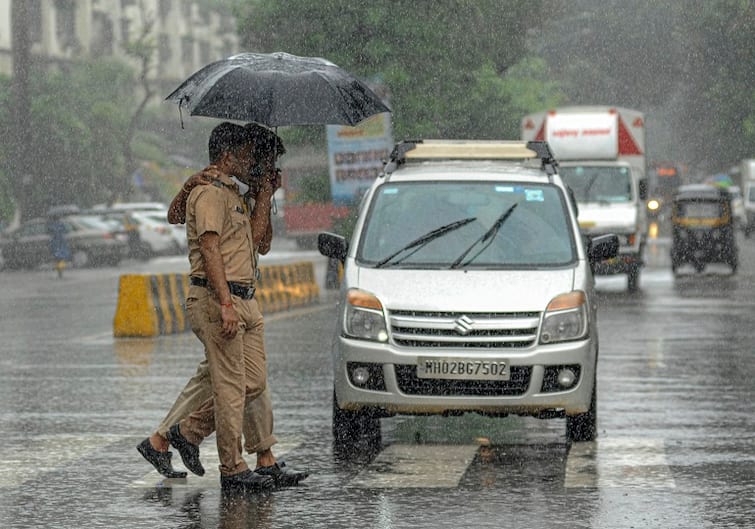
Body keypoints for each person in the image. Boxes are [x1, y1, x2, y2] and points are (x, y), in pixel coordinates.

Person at [137, 123, 307, 491]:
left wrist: (264, 194)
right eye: (248, 156)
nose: (252, 164)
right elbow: (208, 246)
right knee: (230, 388)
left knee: (251, 383)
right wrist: (226, 303)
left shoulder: (236, 195)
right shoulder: (210, 192)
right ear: (228, 155)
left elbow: (260, 244)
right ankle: (232, 467)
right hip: (219, 299)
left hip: (246, 298)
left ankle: (183, 433)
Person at [47, 214, 71, 278]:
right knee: (62, 257)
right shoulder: (61, 224)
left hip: (55, 243)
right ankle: (60, 270)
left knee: (57, 258)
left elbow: (49, 232)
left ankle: (59, 270)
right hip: (61, 242)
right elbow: (67, 231)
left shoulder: (51, 225)